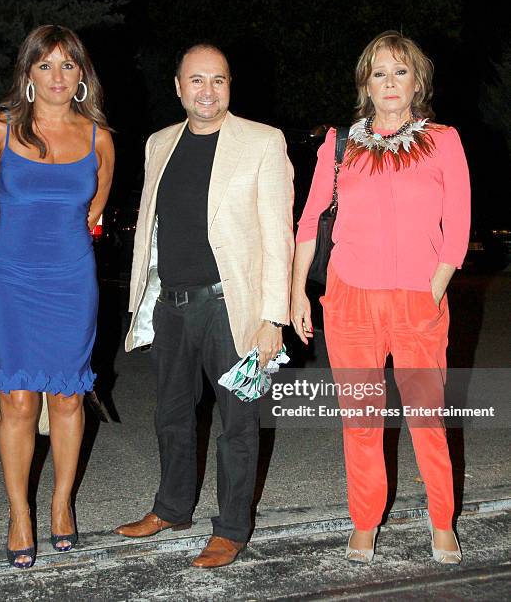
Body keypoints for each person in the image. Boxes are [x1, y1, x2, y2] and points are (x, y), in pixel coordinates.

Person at [291, 31, 470, 564]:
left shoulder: (444, 139)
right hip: (350, 300)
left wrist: (432, 289)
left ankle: (443, 521)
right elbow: (310, 218)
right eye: (379, 73)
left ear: (417, 80)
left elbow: (457, 227)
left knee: (426, 418)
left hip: (418, 300)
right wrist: (298, 289)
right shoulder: (339, 143)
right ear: (365, 83)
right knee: (361, 419)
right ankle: (364, 521)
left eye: (400, 71)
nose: (389, 82)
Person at [114, 43, 294, 568]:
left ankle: (232, 526)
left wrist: (272, 318)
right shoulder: (158, 143)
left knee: (239, 421)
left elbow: (278, 237)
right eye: (196, 80)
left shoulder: (263, 142)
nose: (207, 91)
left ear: (230, 84)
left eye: (217, 80)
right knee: (171, 415)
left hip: (232, 310)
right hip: (171, 306)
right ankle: (172, 507)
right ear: (177, 86)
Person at [0, 25, 114, 568]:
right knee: (19, 397)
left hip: (71, 279)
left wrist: (58, 255)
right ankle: (19, 512)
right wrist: (4, 256)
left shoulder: (99, 137)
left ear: (82, 75)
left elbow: (93, 211)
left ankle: (60, 506)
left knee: (70, 395)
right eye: (46, 65)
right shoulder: (0, 129)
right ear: (28, 73)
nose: (58, 76)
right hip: (9, 279)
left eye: (68, 66)